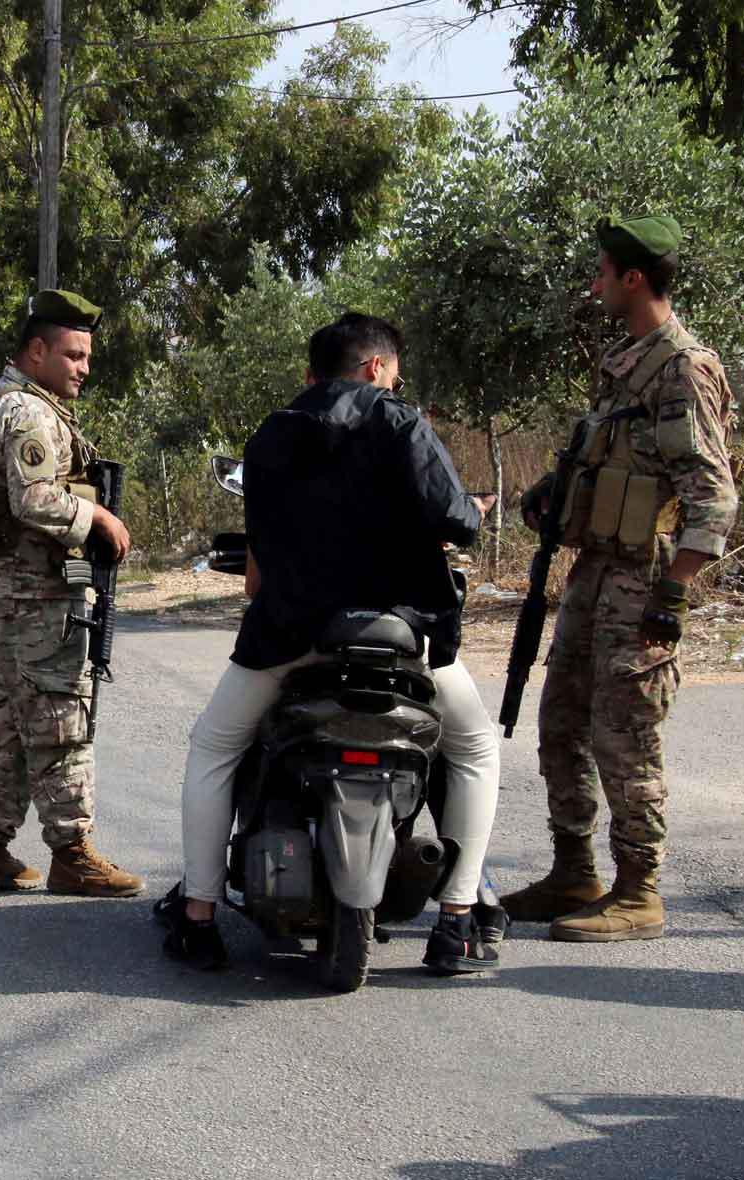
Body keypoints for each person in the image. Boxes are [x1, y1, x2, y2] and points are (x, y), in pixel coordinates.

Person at [154, 313, 504, 976]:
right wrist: (474, 510)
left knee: (215, 747)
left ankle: (198, 917)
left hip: (292, 636)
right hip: (404, 637)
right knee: (476, 748)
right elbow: (457, 521)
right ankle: (457, 922)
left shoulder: (272, 434)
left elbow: (261, 554)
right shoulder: (400, 421)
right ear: (375, 367)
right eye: (394, 372)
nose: (395, 382)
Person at [501, 215, 738, 942]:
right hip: (594, 571)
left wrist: (672, 597)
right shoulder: (626, 361)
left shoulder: (683, 366)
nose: (595, 283)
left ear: (634, 278)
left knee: (626, 737)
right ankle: (574, 870)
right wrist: (555, 488)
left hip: (642, 580)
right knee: (561, 724)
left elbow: (713, 495)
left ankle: (640, 891)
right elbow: (610, 455)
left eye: (603, 272)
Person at [0, 289, 142, 898]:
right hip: (32, 598)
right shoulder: (28, 414)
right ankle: (71, 853)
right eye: (73, 355)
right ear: (37, 351)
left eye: (86, 355)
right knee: (60, 720)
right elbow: (32, 498)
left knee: (7, 722)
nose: (83, 368)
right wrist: (100, 523)